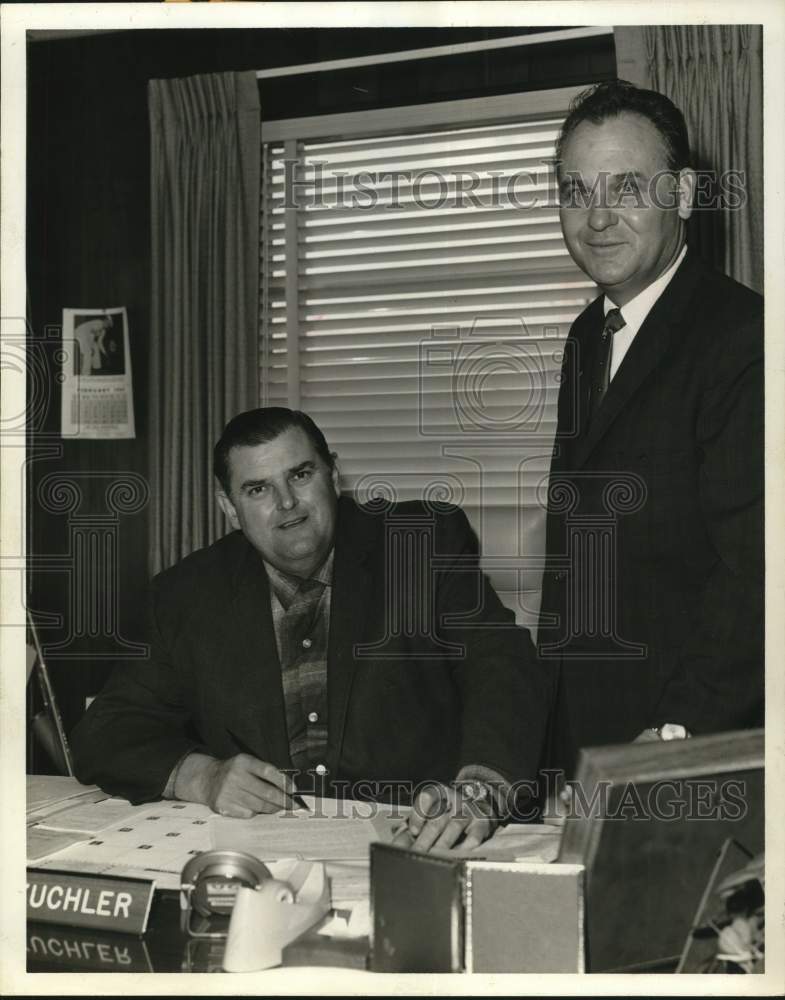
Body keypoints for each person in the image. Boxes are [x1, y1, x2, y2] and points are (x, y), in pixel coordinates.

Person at [72, 407, 550, 852]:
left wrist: (480, 789)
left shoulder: (420, 545)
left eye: (300, 475)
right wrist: (202, 777)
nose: (287, 504)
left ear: (332, 474)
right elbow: (108, 731)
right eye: (257, 489)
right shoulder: (184, 595)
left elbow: (501, 665)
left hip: (417, 835)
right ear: (228, 506)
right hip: (261, 851)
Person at [539, 80, 763, 778]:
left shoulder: (745, 339)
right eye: (576, 192)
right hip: (593, 733)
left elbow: (756, 577)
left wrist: (670, 737)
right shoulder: (588, 335)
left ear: (685, 196)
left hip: (695, 742)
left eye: (625, 188)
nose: (596, 218)